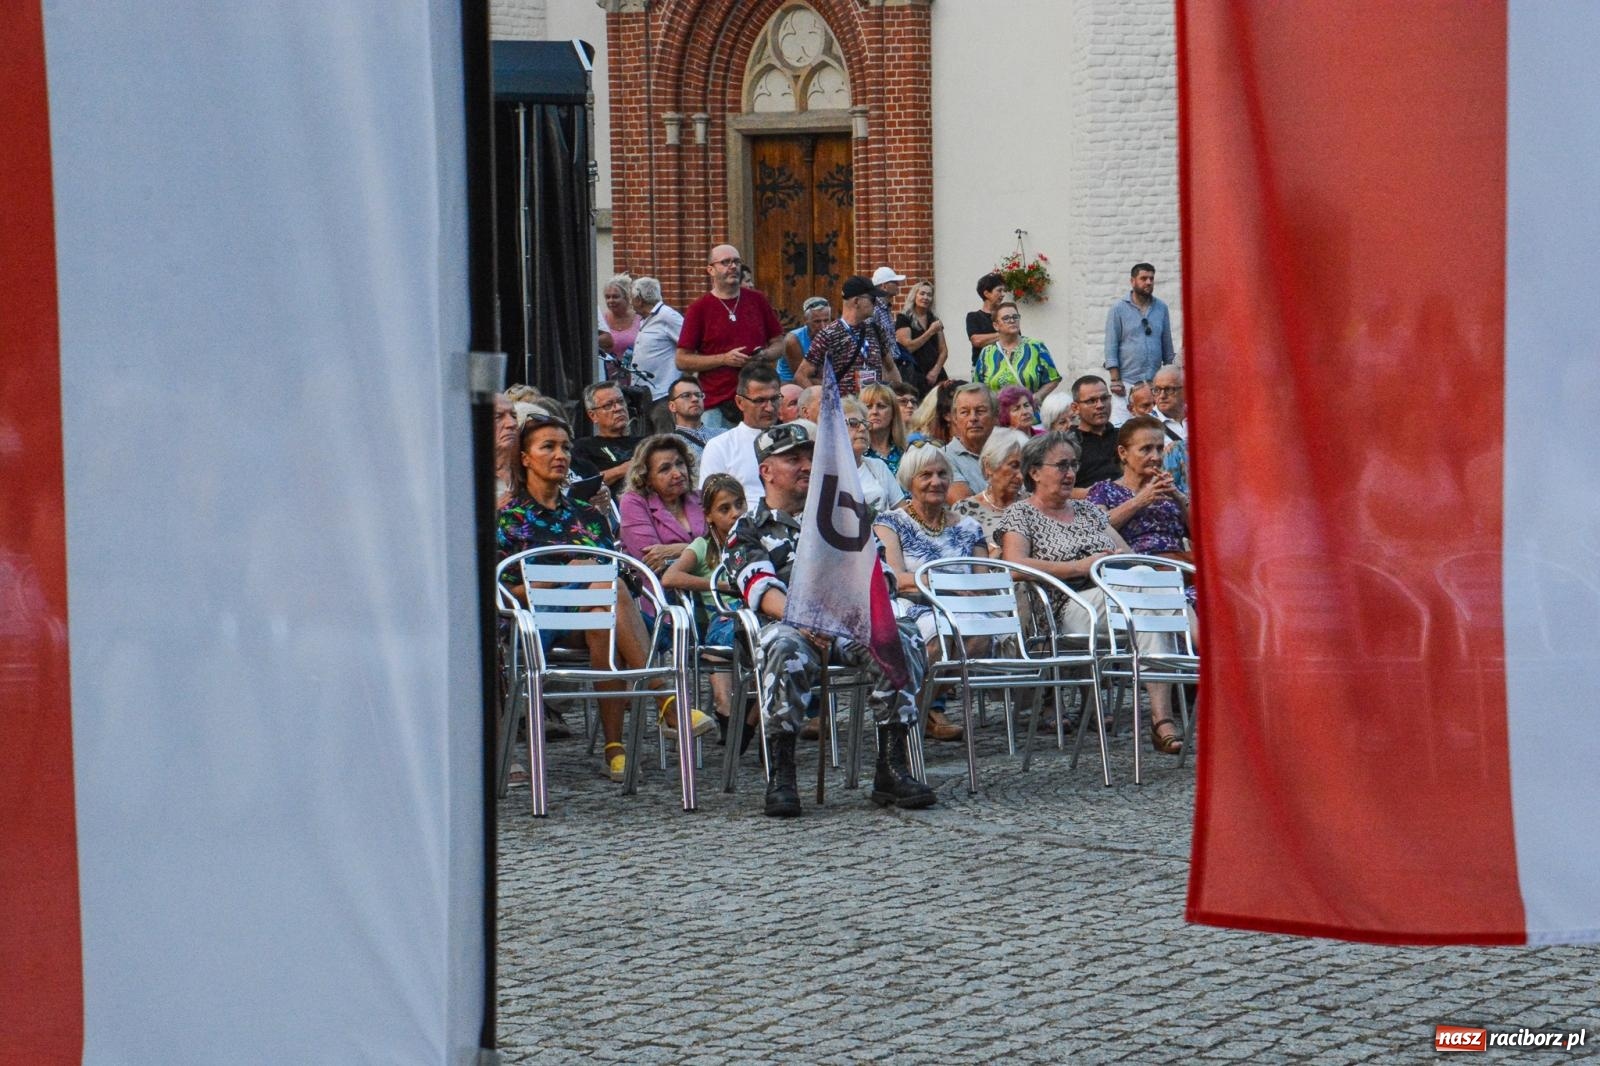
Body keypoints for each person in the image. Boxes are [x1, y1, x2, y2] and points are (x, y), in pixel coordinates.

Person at [722, 421, 935, 816]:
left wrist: (840, 612)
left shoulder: (846, 515)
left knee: (897, 636)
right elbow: (760, 589)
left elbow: (881, 577)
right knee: (784, 647)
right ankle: (782, 774)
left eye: (810, 457)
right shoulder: (748, 527)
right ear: (766, 470)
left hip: (849, 620)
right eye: (793, 459)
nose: (806, 466)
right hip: (788, 625)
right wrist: (806, 619)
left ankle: (891, 767)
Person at [498, 414, 715, 783]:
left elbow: (617, 574)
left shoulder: (588, 515)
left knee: (605, 608)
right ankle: (666, 700)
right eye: (548, 447)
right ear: (525, 458)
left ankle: (615, 750)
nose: (561, 455)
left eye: (565, 447)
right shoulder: (509, 516)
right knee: (606, 590)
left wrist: (591, 578)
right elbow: (504, 592)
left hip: (597, 615)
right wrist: (567, 575)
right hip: (539, 622)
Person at [998, 432, 1186, 755]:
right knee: (1148, 594)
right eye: (1061, 465)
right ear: (1035, 472)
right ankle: (1193, 648)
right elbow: (1014, 566)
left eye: (1074, 465)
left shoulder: (1087, 512)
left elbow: (1130, 558)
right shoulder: (1022, 513)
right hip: (1066, 608)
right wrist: (1080, 567)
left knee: (1146, 599)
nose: (1070, 473)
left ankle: (1161, 719)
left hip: (1114, 598)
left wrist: (1112, 561)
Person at [873, 444, 986, 742]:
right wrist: (946, 585)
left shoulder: (969, 526)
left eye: (942, 474)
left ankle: (915, 711)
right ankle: (917, 719)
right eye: (926, 475)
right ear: (909, 480)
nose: (936, 481)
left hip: (963, 608)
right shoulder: (891, 522)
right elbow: (896, 578)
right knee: (939, 636)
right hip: (913, 605)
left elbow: (982, 580)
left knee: (981, 636)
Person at [662, 474, 759, 751]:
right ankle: (725, 705)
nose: (735, 513)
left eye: (739, 504)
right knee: (733, 632)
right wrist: (719, 585)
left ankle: (749, 719)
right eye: (724, 509)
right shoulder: (703, 546)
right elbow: (670, 577)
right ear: (709, 516)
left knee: (771, 640)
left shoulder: (755, 542)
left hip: (757, 615)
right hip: (722, 617)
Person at [676, 244, 785, 430]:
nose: (733, 266)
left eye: (736, 261)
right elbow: (682, 360)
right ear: (711, 270)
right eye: (725, 262)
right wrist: (724, 359)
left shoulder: (757, 300)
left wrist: (763, 355)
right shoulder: (699, 309)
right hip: (717, 403)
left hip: (758, 400)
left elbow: (779, 344)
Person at [1086, 416, 1192, 564]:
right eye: (1146, 449)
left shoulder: (1169, 492)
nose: (1156, 457)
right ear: (1123, 452)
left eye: (1160, 449)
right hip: (1134, 569)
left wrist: (1180, 499)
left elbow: (1204, 538)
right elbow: (1095, 530)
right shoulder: (1103, 490)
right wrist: (1139, 500)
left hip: (1179, 567)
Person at [793, 276, 902, 392]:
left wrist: (899, 395)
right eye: (872, 299)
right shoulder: (829, 334)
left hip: (873, 402)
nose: (876, 304)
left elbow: (891, 368)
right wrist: (823, 399)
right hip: (845, 403)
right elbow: (801, 375)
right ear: (856, 301)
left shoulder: (876, 330)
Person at [619, 434, 708, 575]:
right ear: (646, 478)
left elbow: (727, 547)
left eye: (680, 463)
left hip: (714, 582)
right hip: (662, 586)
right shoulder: (634, 502)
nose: (678, 473)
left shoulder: (702, 497)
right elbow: (651, 561)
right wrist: (705, 550)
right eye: (665, 469)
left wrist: (677, 550)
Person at [697, 362, 783, 505]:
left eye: (774, 399)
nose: (769, 408)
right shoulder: (720, 447)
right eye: (760, 401)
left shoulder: (796, 440)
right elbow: (710, 503)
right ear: (740, 402)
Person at [1103, 262, 1175, 399]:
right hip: (1126, 383)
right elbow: (1111, 345)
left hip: (1155, 383)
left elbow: (1167, 345)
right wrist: (1115, 380)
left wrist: (1169, 376)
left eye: (1151, 278)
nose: (1148, 282)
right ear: (1132, 281)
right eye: (1143, 278)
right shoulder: (1118, 309)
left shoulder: (1161, 308)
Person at [952, 427, 1029, 547]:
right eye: (1014, 466)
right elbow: (960, 555)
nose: (1020, 476)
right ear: (988, 466)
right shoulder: (965, 510)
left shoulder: (1034, 506)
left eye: (1024, 467)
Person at [974, 301, 1061, 406]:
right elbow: (978, 386)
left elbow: (1053, 378)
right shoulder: (987, 353)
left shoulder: (1035, 347)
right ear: (996, 325)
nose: (1012, 320)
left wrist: (1039, 396)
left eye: (1015, 317)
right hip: (998, 414)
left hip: (1028, 412)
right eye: (1006, 318)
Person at [629, 276, 685, 433]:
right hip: (644, 395)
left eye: (632, 297)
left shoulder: (668, 316)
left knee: (665, 439)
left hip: (663, 394)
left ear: (639, 299)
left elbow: (688, 346)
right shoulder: (645, 319)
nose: (631, 302)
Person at [574, 381, 643, 493]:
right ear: (593, 415)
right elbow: (583, 484)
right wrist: (623, 469)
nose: (618, 408)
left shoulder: (644, 443)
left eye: (621, 401)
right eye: (608, 405)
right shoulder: (584, 447)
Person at [842, 395, 905, 513]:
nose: (863, 428)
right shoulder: (823, 471)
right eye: (854, 423)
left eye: (865, 424)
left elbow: (903, 512)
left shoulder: (878, 467)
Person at [1065, 375, 1121, 495]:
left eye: (1104, 398)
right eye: (1091, 401)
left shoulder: (1124, 437)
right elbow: (1057, 489)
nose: (1100, 405)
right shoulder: (1066, 445)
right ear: (1075, 408)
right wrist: (1095, 493)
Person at [943, 383, 996, 502]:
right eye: (964, 412)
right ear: (955, 418)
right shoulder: (943, 458)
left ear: (995, 415)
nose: (973, 418)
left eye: (980, 411)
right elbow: (966, 506)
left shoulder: (1010, 452)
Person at [895, 280, 948, 395]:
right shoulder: (904, 318)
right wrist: (930, 332)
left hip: (936, 373)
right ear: (914, 296)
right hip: (914, 373)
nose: (926, 297)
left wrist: (935, 371)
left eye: (929, 295)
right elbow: (908, 348)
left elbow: (943, 350)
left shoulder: (934, 319)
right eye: (922, 293)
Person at [780, 297, 832, 384]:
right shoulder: (793, 340)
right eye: (817, 321)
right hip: (790, 384)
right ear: (805, 320)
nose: (823, 326)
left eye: (826, 320)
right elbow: (800, 378)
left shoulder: (833, 335)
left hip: (820, 381)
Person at [860, 381, 908, 474]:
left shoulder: (907, 452)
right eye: (868, 407)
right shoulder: (856, 454)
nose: (874, 412)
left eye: (881, 406)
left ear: (893, 413)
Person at [665, 374, 714, 464]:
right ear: (672, 406)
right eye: (686, 395)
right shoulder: (668, 444)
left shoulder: (724, 434)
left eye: (698, 395)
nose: (695, 399)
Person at [966, 271, 1008, 363]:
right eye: (999, 290)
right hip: (982, 367)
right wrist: (1004, 334)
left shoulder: (1007, 315)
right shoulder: (973, 317)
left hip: (1006, 366)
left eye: (1003, 291)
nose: (1003, 294)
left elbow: (1016, 338)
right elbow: (977, 341)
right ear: (986, 293)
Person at [597, 272, 640, 358]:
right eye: (607, 297)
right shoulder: (601, 321)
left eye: (615, 297)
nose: (611, 301)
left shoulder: (640, 320)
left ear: (627, 297)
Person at [1150, 365, 1188, 442]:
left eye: (1169, 389)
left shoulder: (1200, 417)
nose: (1162, 396)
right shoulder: (1145, 425)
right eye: (1157, 390)